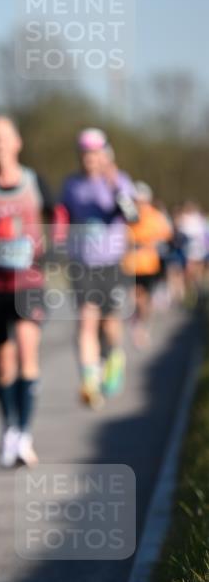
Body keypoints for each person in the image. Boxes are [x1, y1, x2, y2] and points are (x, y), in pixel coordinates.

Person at [0, 115, 65, 467]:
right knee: (3, 366)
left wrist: (54, 244)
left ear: (17, 143)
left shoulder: (34, 181)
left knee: (28, 353)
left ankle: (24, 434)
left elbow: (57, 214)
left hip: (30, 285)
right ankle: (9, 427)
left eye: (4, 137)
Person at [60, 129, 137, 410]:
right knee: (86, 320)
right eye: (85, 153)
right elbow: (62, 217)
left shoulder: (119, 181)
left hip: (112, 263)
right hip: (83, 264)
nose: (89, 158)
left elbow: (133, 216)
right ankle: (89, 382)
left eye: (94, 152)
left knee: (110, 323)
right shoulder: (72, 185)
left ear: (105, 154)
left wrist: (114, 184)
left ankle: (115, 356)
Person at [121, 182, 173, 347]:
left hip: (150, 264)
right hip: (130, 264)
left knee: (145, 300)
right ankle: (136, 324)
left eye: (141, 200)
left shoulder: (156, 216)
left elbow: (167, 235)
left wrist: (150, 243)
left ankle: (141, 324)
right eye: (136, 200)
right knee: (135, 296)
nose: (139, 203)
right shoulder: (128, 215)